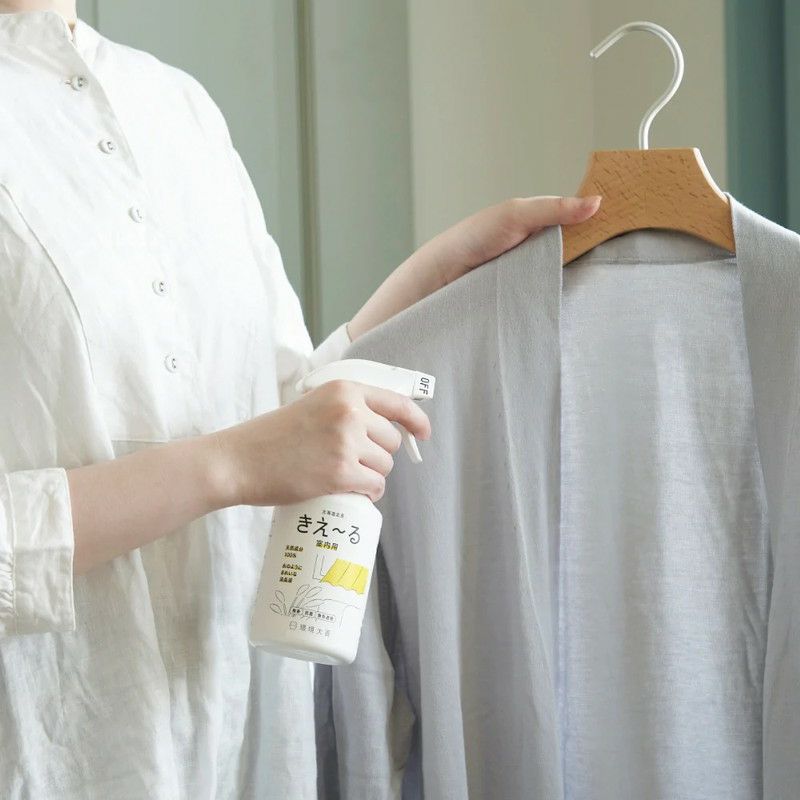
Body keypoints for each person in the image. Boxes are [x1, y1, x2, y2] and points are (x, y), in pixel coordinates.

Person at [0, 2, 601, 797]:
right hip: (57, 754)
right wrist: (228, 466)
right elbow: (253, 453)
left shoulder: (177, 105)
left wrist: (429, 279)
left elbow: (278, 409)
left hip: (244, 740)